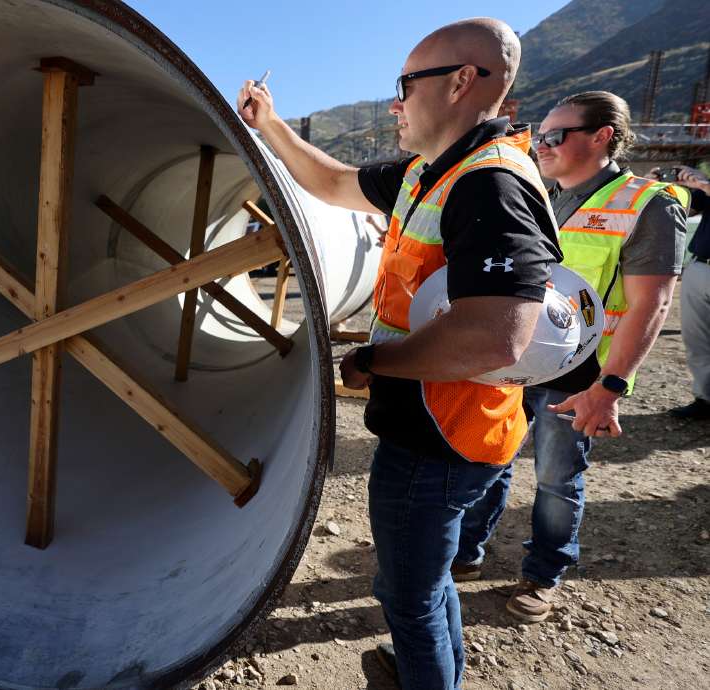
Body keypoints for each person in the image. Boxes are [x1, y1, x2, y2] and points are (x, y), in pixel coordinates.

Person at [239, 17, 560, 690]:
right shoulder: (429, 172)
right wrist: (267, 124)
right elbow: (328, 183)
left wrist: (373, 364)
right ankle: (431, 672)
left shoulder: (488, 184)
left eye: (406, 83)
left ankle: (424, 677)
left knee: (407, 594)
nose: (395, 102)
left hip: (442, 435)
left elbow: (499, 335)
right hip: (438, 425)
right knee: (425, 579)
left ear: (464, 81)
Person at [452, 91, 688, 624]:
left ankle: (542, 574)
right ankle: (467, 554)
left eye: (556, 136)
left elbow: (651, 305)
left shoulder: (648, 204)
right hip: (517, 359)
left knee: (557, 477)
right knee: (491, 458)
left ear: (602, 136)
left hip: (581, 376)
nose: (543, 145)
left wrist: (611, 387)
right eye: (541, 136)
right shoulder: (540, 193)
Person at [655, 165, 710, 419]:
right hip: (701, 265)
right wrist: (661, 188)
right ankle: (705, 398)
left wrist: (705, 185)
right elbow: (688, 207)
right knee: (697, 341)